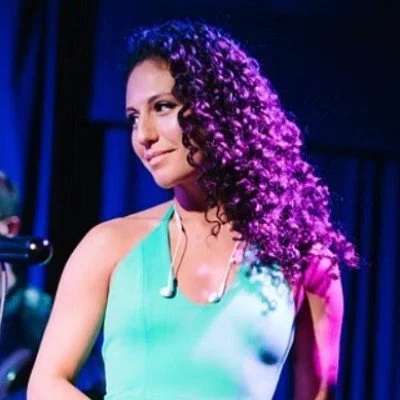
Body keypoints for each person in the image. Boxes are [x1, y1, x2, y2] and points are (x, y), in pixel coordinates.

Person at [28, 20, 358, 399]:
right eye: (133, 117)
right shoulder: (109, 245)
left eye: (163, 107)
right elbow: (46, 383)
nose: (143, 135)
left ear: (219, 109)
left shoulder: (304, 261)